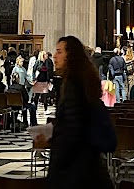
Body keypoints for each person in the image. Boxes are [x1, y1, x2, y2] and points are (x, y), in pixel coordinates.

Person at [37, 35, 114, 188]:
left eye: (59, 51)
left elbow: (73, 131)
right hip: (86, 169)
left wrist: (50, 142)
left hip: (76, 173)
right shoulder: (80, 81)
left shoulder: (74, 85)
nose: (54, 56)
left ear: (70, 55)